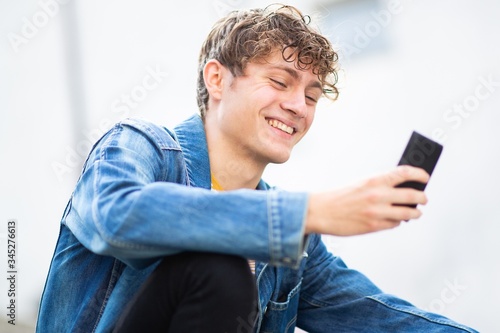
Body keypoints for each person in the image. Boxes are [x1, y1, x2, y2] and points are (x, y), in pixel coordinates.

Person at [36, 4, 478, 333]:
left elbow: (379, 317)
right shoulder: (139, 146)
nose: (296, 106)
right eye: (280, 82)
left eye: (311, 95)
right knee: (218, 271)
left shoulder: (297, 249)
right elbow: (117, 217)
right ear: (216, 80)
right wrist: (306, 213)